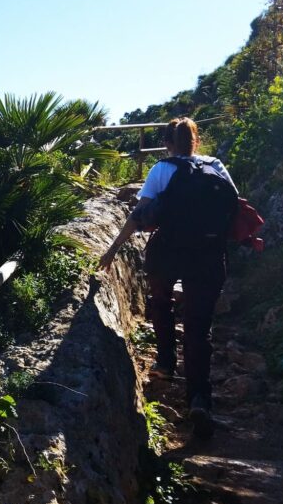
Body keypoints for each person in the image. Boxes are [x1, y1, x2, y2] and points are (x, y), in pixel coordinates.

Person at [98, 117, 236, 438]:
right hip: (209, 255)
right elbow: (233, 208)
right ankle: (199, 398)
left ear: (168, 143)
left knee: (160, 301)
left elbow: (141, 215)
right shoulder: (215, 166)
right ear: (196, 141)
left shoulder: (162, 169)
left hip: (169, 251)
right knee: (199, 329)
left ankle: (165, 362)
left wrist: (112, 250)